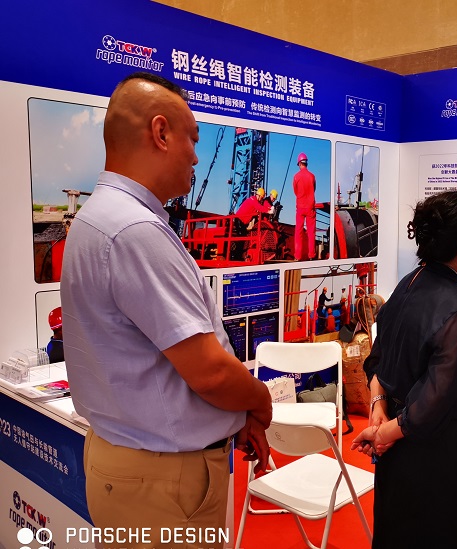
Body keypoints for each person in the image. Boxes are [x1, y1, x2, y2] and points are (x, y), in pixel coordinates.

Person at [60, 72, 273, 549]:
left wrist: (232, 420)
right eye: (192, 138)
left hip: (127, 464)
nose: (196, 156)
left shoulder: (96, 217)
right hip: (163, 482)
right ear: (160, 132)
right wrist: (259, 402)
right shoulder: (135, 230)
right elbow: (210, 373)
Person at [352, 191, 457, 548]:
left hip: (396, 439)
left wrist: (379, 409)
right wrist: (384, 432)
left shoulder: (408, 283)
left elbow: (378, 357)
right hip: (435, 446)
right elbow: (437, 397)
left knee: (395, 526)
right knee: (436, 529)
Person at [293, 152, 317, 260]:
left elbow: (295, 191)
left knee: (298, 232)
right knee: (311, 232)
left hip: (300, 207)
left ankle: (297, 256)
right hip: (310, 207)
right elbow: (314, 189)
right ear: (306, 163)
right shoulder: (312, 176)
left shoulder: (296, 177)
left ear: (299, 163)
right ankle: (311, 255)